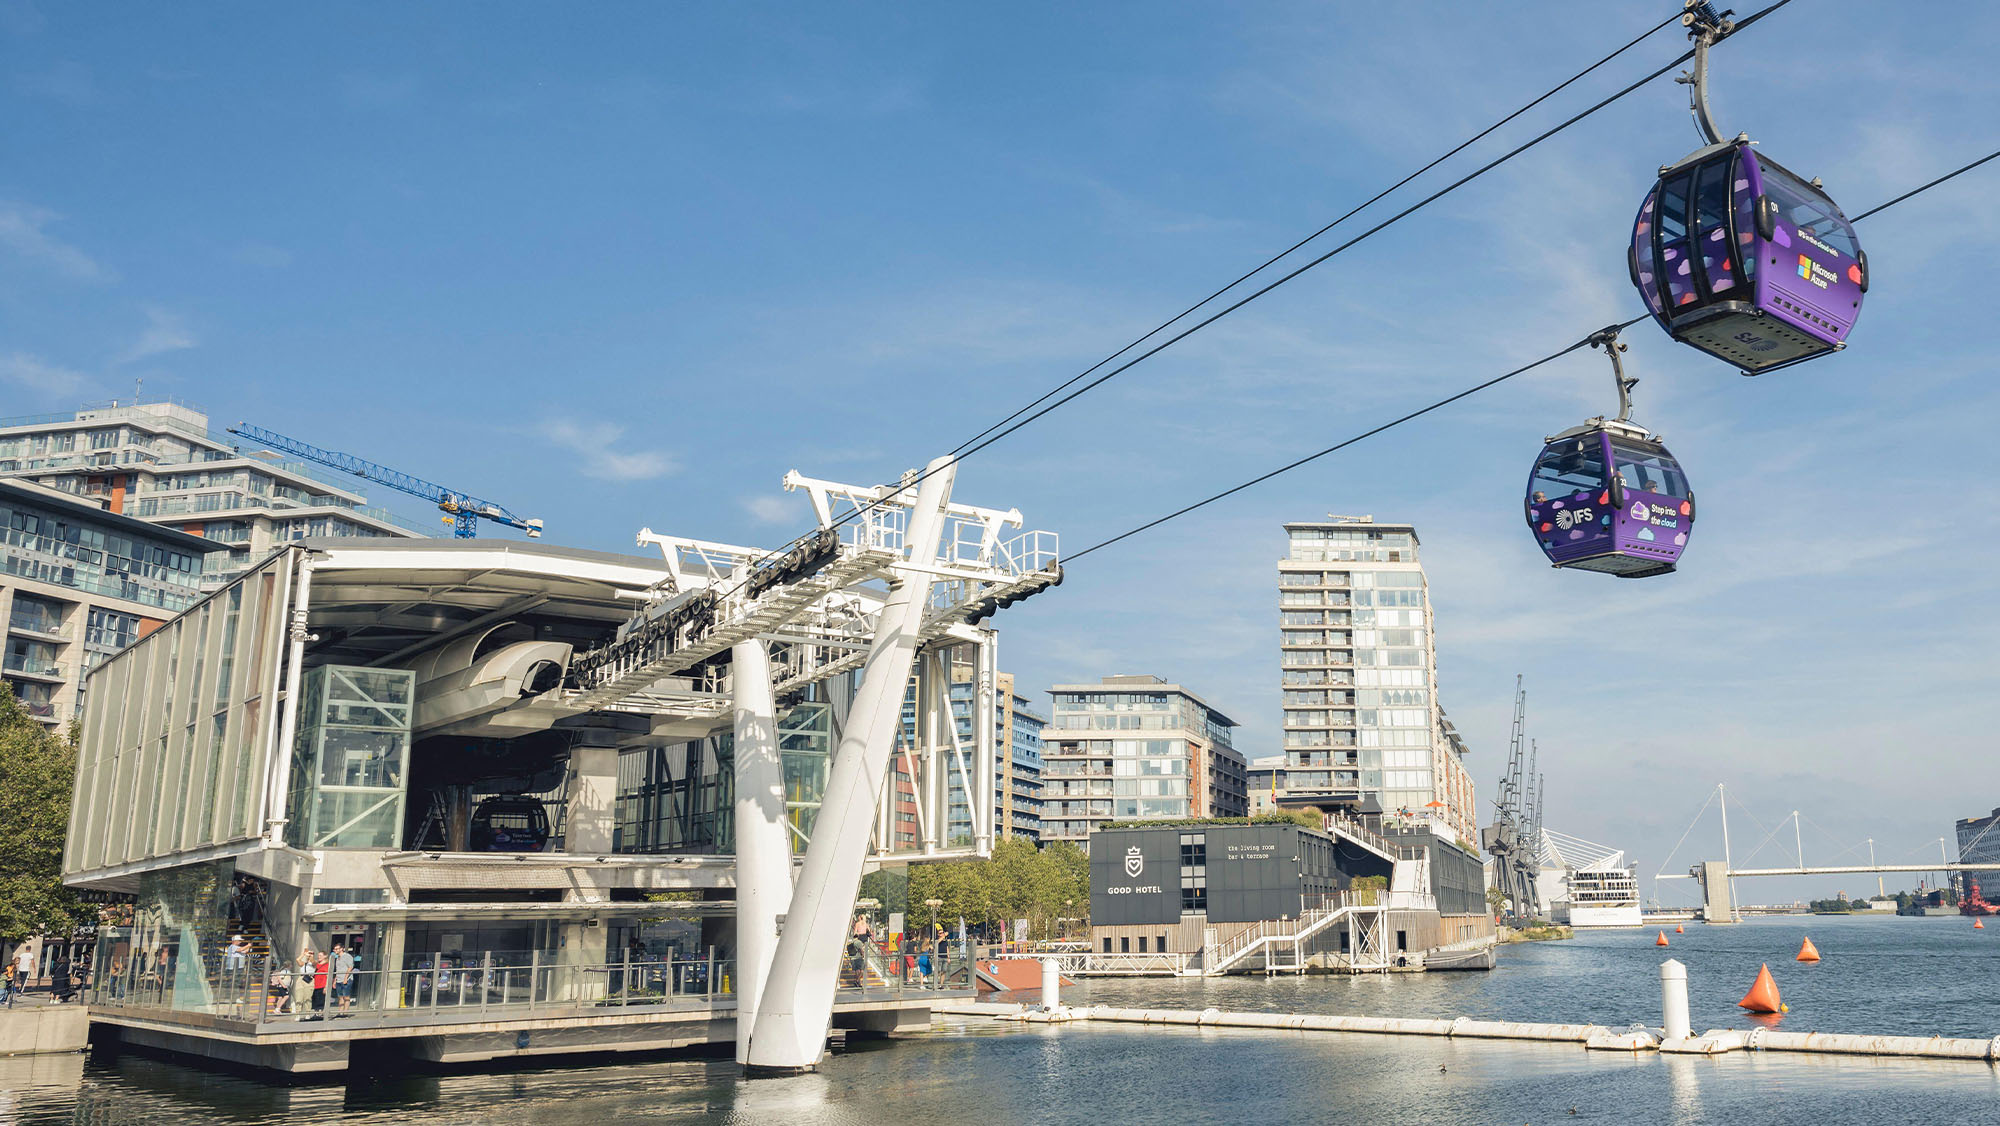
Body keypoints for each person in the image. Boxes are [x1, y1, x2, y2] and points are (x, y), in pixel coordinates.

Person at [332, 943, 355, 1015]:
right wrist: (335, 980)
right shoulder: (337, 958)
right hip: (339, 979)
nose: (335, 950)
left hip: (346, 980)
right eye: (334, 949)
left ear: (341, 949)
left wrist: (346, 978)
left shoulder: (347, 956)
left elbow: (350, 967)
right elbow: (338, 969)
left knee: (346, 996)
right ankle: (340, 1012)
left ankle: (345, 1013)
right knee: (340, 997)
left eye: (336, 949)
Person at [290, 950, 314, 1016]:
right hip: (301, 978)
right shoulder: (304, 964)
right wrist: (303, 954)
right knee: (299, 996)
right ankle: (298, 1013)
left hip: (309, 978)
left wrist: (311, 956)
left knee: (307, 997)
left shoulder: (313, 963)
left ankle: (307, 1013)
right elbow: (298, 960)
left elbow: (313, 962)